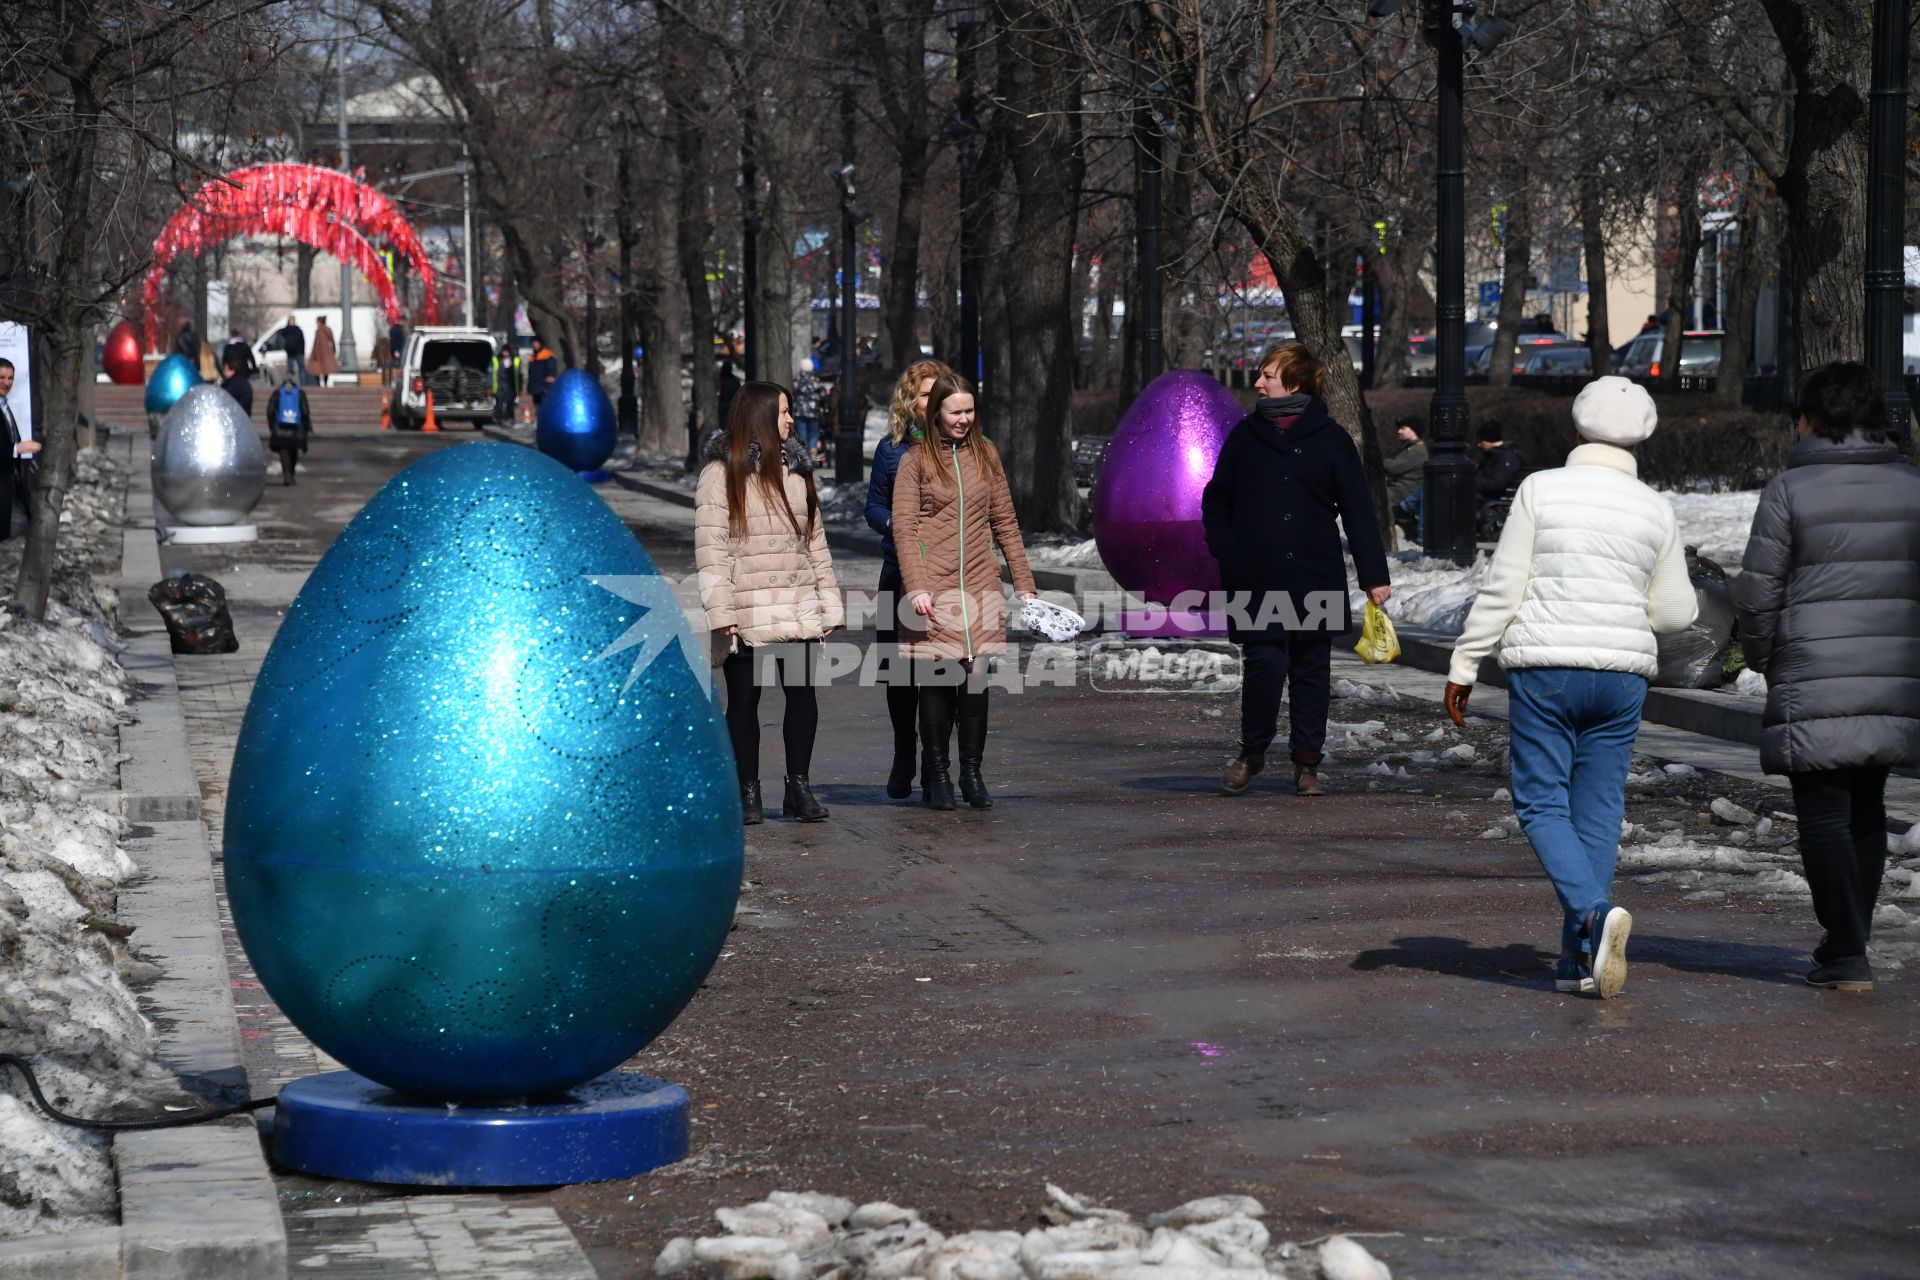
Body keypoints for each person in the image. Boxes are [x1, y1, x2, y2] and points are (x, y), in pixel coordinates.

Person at [1444, 377, 1696, 999]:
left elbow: (1504, 587)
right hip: (1622, 676)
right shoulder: (1655, 507)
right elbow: (1675, 613)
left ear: (1578, 430)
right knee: (1599, 812)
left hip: (1548, 667)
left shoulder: (1540, 489)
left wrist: (1464, 664)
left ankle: (1592, 912)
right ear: (1641, 437)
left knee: (1539, 801)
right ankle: (1578, 959)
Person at [1733, 362, 1920, 992]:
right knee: (1867, 805)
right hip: (1893, 673)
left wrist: (1761, 656)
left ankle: (1846, 950)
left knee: (1820, 811)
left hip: (1813, 670)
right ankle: (1847, 941)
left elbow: (1759, 593)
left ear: (1811, 418)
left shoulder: (1789, 490)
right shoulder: (1912, 486)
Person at [1202, 343, 1390, 799]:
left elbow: (1359, 512)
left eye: (1268, 374)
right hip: (1255, 574)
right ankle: (1251, 754)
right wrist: (1229, 551)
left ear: (1296, 382)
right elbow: (1216, 500)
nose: (1258, 382)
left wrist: (1374, 576)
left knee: (1310, 670)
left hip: (1314, 572)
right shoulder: (1245, 437)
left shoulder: (1331, 439)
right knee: (1264, 664)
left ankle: (1307, 764)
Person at [695, 382, 844, 827]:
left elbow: (815, 543)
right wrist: (721, 613)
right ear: (760, 416)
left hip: (796, 605)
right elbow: (711, 550)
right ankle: (748, 791)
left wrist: (829, 605)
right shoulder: (721, 474)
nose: (791, 419)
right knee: (744, 700)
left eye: (790, 412)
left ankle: (799, 787)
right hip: (745, 609)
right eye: (783, 412)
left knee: (803, 696)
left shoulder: (797, 472)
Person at [893, 372, 1037, 811]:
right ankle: (936, 775)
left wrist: (1024, 584)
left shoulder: (987, 455)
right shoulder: (915, 461)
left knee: (974, 680)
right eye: (955, 411)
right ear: (935, 412)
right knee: (937, 680)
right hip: (933, 587)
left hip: (979, 582)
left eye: (969, 410)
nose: (964, 419)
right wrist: (916, 586)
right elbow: (905, 527)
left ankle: (971, 771)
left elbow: (1005, 523)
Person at [866, 359, 952, 800]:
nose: (931, 400)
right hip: (899, 573)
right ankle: (905, 750)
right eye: (923, 393)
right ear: (911, 401)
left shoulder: (963, 447)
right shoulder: (891, 449)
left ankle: (941, 760)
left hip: (949, 579)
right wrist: (899, 527)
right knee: (900, 676)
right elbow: (873, 507)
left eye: (938, 392)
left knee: (945, 674)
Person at [0, 358, 43, 541]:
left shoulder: (5, 407)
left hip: (9, 481)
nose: (7, 383)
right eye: (1, 377)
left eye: (10, 378)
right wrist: (17, 448)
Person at [1385, 413, 1428, 542]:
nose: (1399, 431)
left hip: (1403, 492)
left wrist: (1379, 461)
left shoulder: (1417, 451)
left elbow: (1394, 467)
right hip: (1400, 489)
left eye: (1403, 428)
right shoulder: (1409, 448)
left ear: (1413, 430)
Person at [265, 375, 312, 486]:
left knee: (284, 451)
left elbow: (270, 410)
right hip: (296, 429)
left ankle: (286, 475)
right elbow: (305, 411)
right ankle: (291, 474)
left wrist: (272, 425)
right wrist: (306, 425)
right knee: (293, 451)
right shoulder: (300, 393)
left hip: (280, 428)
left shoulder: (277, 393)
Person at [791, 362, 828, 459]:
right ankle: (813, 453)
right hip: (813, 412)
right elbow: (822, 395)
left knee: (802, 434)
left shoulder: (797, 380)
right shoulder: (816, 380)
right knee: (814, 434)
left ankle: (805, 455)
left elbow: (793, 395)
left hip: (800, 411)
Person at [221, 356, 254, 420]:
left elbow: (226, 398)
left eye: (226, 370)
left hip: (237, 414)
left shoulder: (233, 383)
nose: (224, 373)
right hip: (245, 413)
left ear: (232, 370)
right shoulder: (241, 380)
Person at [308, 315, 339, 384]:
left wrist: (314, 353)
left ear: (319, 322)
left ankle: (319, 384)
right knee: (326, 369)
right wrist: (333, 350)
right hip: (327, 352)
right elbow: (332, 340)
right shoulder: (328, 330)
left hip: (318, 352)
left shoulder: (319, 331)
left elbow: (317, 342)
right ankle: (325, 383)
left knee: (316, 369)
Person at [528, 343, 557, 413]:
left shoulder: (548, 356)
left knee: (545, 407)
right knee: (538, 408)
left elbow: (551, 373)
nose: (535, 345)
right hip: (536, 388)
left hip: (544, 387)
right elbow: (531, 373)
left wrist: (547, 386)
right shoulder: (533, 357)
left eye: (536, 343)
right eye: (533, 344)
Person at [279, 315, 307, 386]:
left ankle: (291, 383)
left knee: (291, 370)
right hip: (299, 352)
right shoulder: (298, 330)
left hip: (290, 352)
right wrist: (302, 352)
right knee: (302, 369)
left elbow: (281, 341)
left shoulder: (285, 330)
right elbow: (302, 342)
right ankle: (303, 384)